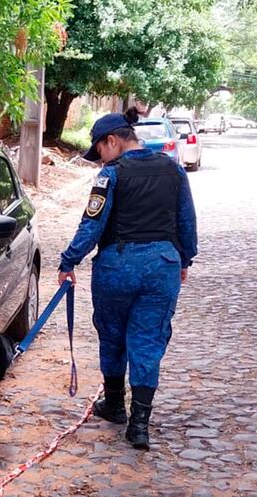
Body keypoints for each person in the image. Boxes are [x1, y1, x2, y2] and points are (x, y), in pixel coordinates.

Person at [58, 107, 197, 450]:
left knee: (113, 334)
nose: (100, 159)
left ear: (112, 141)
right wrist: (185, 259)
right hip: (163, 266)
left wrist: (69, 260)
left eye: (100, 151)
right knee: (148, 340)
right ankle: (139, 426)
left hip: (117, 267)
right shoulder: (173, 169)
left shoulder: (111, 175)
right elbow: (187, 221)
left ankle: (116, 406)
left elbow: (92, 224)